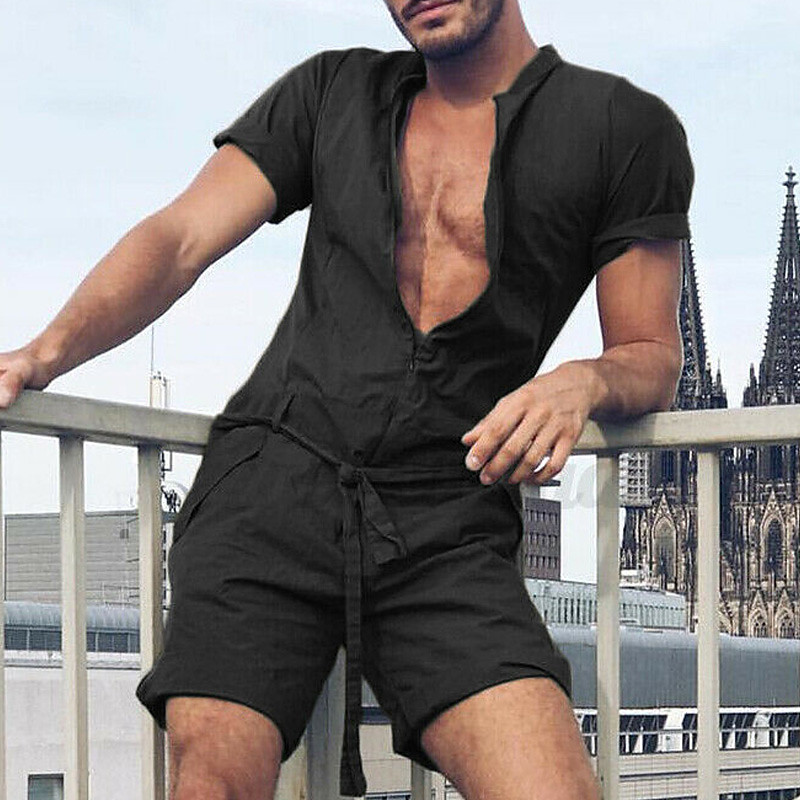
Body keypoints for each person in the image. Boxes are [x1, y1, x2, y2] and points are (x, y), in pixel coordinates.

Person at [0, 0, 694, 797]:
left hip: (445, 524)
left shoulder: (624, 129)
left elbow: (651, 353)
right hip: (269, 494)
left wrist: (583, 381)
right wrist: (44, 352)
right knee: (214, 783)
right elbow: (180, 238)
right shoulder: (333, 91)